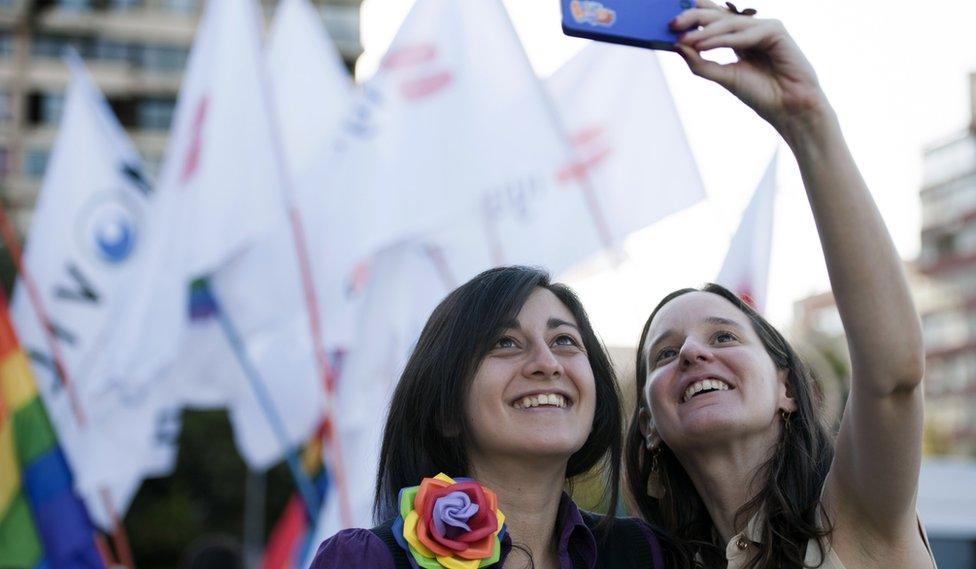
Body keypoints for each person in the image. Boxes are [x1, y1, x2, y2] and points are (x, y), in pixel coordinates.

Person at [625, 2, 936, 568]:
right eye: (665, 354)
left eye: (723, 338)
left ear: (788, 389)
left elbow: (892, 377)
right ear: (649, 424)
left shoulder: (853, 521)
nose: (693, 352)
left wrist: (806, 119)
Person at [311, 266, 665, 568]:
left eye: (564, 341)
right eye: (505, 342)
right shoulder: (365, 560)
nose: (548, 363)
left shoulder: (642, 554)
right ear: (445, 410)